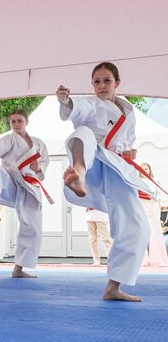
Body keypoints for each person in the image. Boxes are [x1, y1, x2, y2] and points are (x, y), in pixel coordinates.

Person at [56, 61, 154, 301]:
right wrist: (65, 100)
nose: (101, 86)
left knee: (138, 226)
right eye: (97, 81)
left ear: (117, 83)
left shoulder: (128, 111)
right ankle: (77, 173)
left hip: (116, 168)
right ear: (92, 84)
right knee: (83, 133)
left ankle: (113, 287)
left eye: (107, 81)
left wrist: (129, 153)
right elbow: (75, 108)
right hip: (92, 162)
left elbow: (125, 141)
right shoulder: (91, 104)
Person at [0, 109, 50, 278]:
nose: (16, 124)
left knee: (32, 228)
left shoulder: (39, 144)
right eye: (13, 122)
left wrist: (37, 168)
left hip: (30, 187)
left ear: (27, 122)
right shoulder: (10, 139)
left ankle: (18, 269)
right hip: (10, 181)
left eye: (20, 121)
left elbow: (43, 169)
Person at [138, 163, 168, 266]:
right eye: (143, 169)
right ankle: (142, 259)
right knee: (142, 234)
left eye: (146, 169)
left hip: (153, 209)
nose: (145, 171)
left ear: (150, 170)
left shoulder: (155, 181)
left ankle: (156, 259)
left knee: (155, 234)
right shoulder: (137, 181)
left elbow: (160, 195)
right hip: (142, 209)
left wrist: (155, 197)